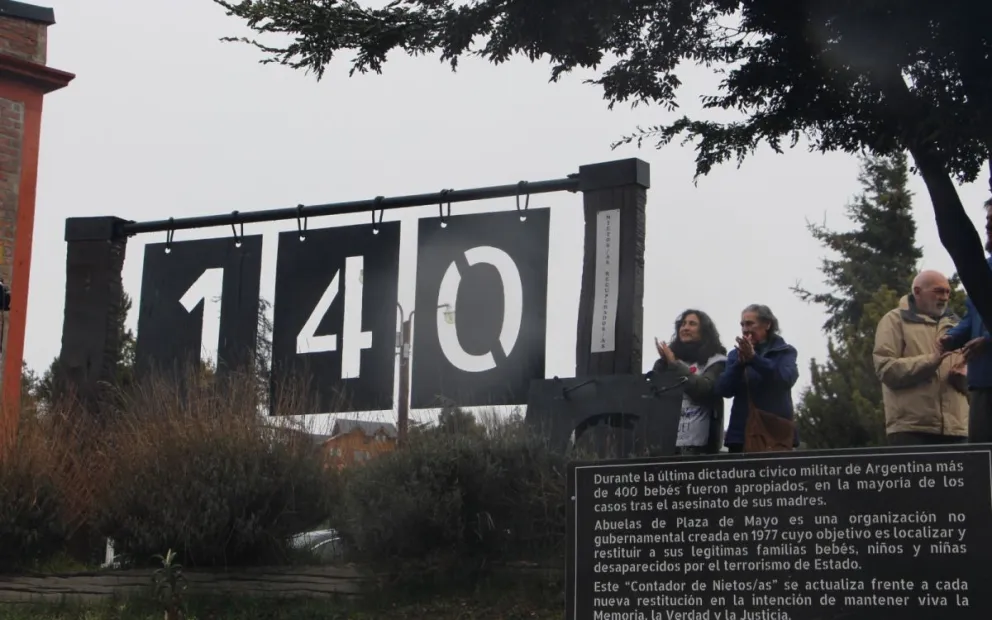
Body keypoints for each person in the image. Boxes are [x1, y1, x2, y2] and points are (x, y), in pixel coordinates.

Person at [873, 270, 969, 445]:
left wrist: (965, 376)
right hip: (911, 431)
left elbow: (973, 379)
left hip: (957, 430)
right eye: (938, 291)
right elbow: (886, 369)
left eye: (948, 292)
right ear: (917, 291)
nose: (945, 297)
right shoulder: (894, 321)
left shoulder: (958, 326)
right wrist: (932, 361)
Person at [940, 198, 992, 442]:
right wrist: (952, 338)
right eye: (987, 220)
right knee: (983, 462)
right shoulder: (983, 269)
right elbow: (974, 316)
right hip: (982, 381)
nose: (988, 226)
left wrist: (988, 340)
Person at [715, 305, 799, 453]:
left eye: (749, 323)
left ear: (767, 324)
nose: (745, 329)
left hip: (775, 435)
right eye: (742, 324)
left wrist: (754, 359)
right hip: (742, 435)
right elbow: (723, 389)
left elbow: (786, 379)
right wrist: (739, 364)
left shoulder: (785, 352)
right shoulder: (735, 355)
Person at [653, 309, 728, 455]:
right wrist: (664, 365)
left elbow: (703, 389)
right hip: (667, 444)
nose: (685, 328)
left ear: (704, 331)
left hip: (700, 447)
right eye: (683, 324)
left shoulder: (716, 362)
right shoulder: (665, 363)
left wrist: (674, 365)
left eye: (692, 324)